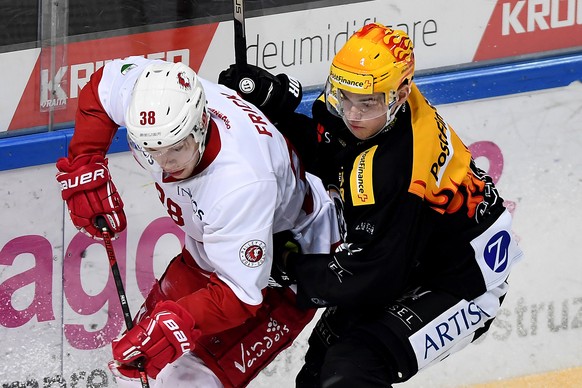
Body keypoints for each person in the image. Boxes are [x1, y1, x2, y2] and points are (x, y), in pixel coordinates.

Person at [218, 22, 524, 387]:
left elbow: (368, 277)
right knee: (320, 368)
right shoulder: (381, 106)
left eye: (367, 103)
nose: (353, 114)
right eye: (344, 96)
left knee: (352, 369)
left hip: (463, 283)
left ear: (400, 94)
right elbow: (333, 145)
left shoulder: (394, 169)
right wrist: (275, 105)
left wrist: (286, 263)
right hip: (412, 250)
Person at [55, 56, 341, 387]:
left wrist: (178, 320)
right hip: (211, 251)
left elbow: (240, 295)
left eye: (175, 148)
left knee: (189, 381)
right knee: (138, 368)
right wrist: (85, 160)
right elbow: (102, 87)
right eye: (149, 149)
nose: (163, 164)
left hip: (286, 269)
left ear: (201, 123)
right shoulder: (157, 93)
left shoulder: (240, 182)